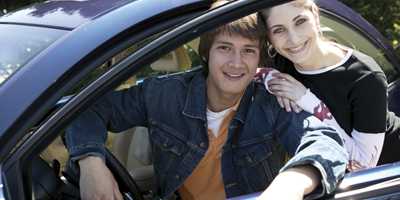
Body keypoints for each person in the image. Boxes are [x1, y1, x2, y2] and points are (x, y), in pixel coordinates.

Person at [65, 2, 347, 200]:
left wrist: (290, 186)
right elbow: (86, 109)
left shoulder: (272, 102)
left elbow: (327, 140)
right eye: (225, 48)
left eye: (248, 51)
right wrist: (91, 164)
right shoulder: (163, 95)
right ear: (207, 53)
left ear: (259, 58)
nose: (237, 63)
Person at [257, 0, 400, 171]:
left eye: (300, 21)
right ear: (269, 37)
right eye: (278, 30)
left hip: (389, 170)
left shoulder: (364, 76)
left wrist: (306, 99)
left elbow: (362, 165)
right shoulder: (281, 62)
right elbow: (243, 72)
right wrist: (271, 77)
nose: (294, 39)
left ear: (315, 16)